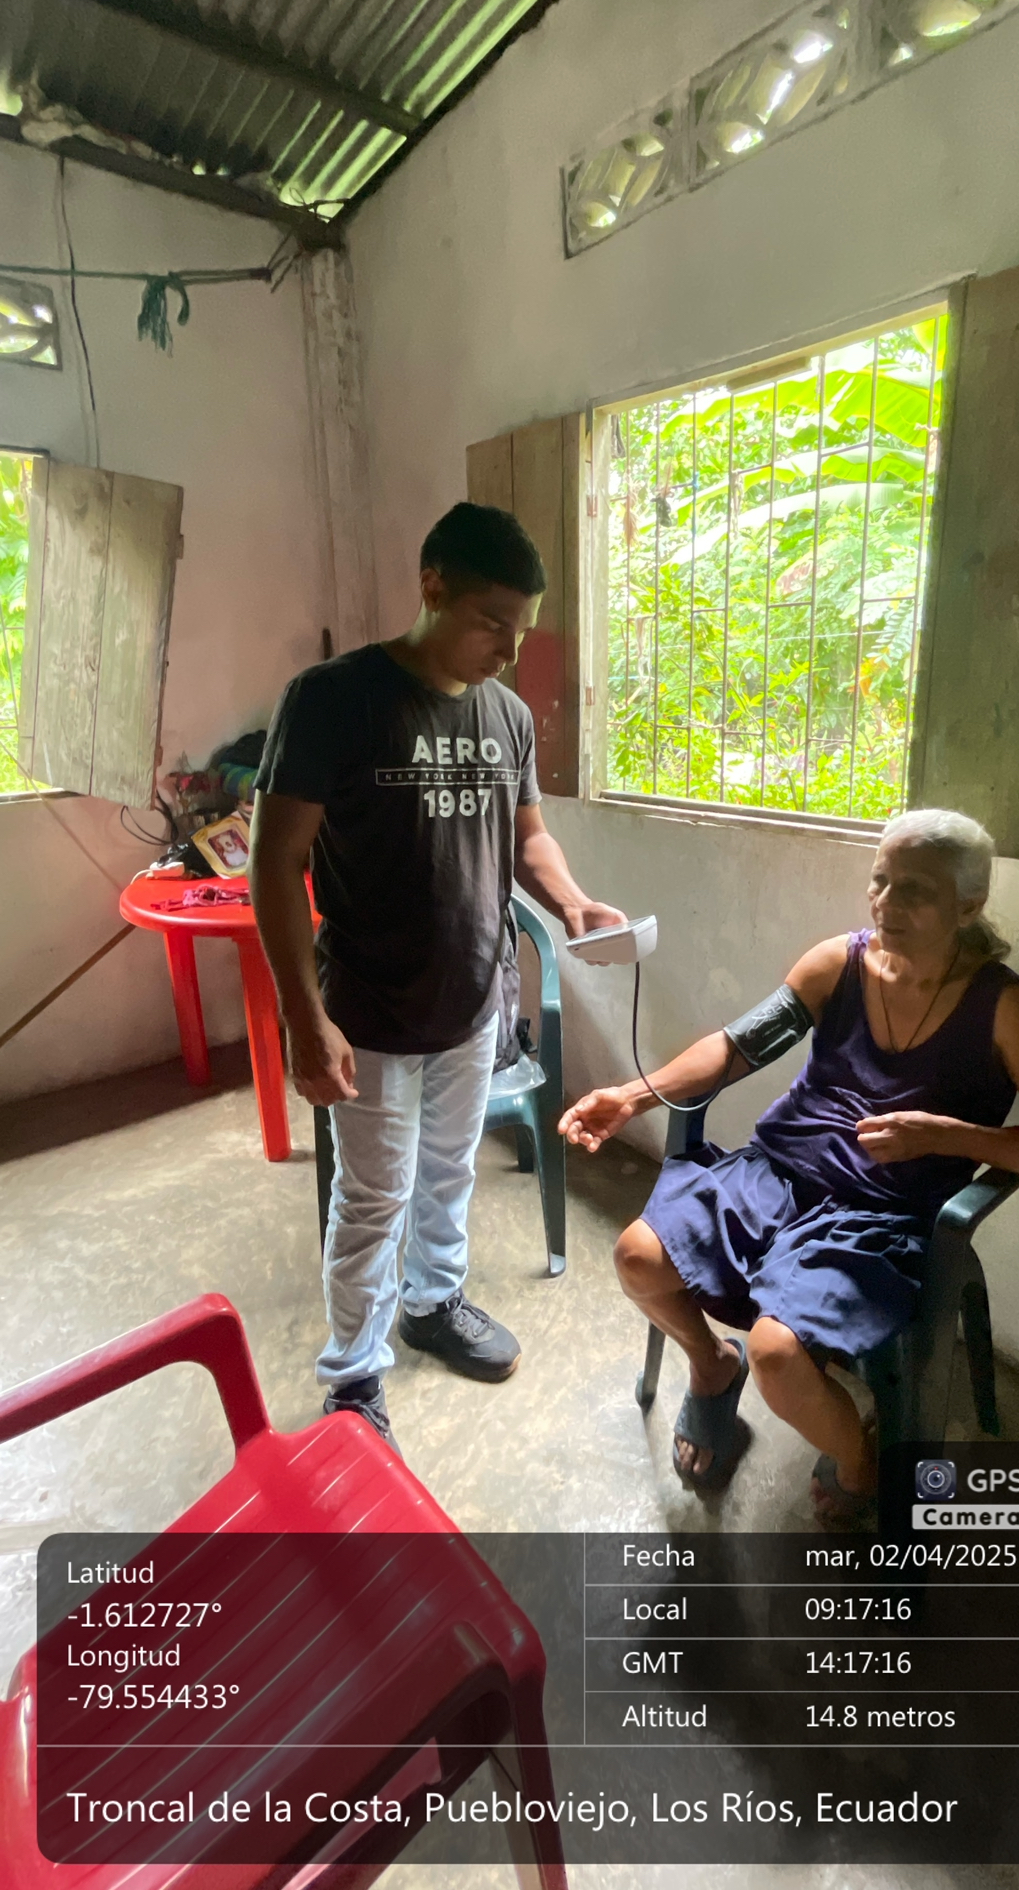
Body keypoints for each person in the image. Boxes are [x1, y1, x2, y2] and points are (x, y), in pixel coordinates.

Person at [558, 808, 1019, 1526]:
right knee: (637, 1258)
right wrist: (632, 1096)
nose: (886, 903)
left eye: (915, 890)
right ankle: (710, 1365)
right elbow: (735, 1047)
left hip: (878, 1219)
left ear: (968, 906)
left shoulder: (1004, 1008)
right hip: (776, 1176)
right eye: (880, 881)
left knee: (778, 1354)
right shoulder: (837, 964)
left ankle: (858, 1458)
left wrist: (947, 1136)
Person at [250, 502, 624, 1450]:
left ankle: (433, 1303)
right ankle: (353, 1373)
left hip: (471, 1001)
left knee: (450, 1171)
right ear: (433, 585)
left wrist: (573, 902)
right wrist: (303, 1015)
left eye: (522, 631)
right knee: (372, 1197)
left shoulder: (506, 715)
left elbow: (527, 835)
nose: (508, 650)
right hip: (369, 1008)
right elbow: (273, 861)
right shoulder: (334, 698)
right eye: (492, 622)